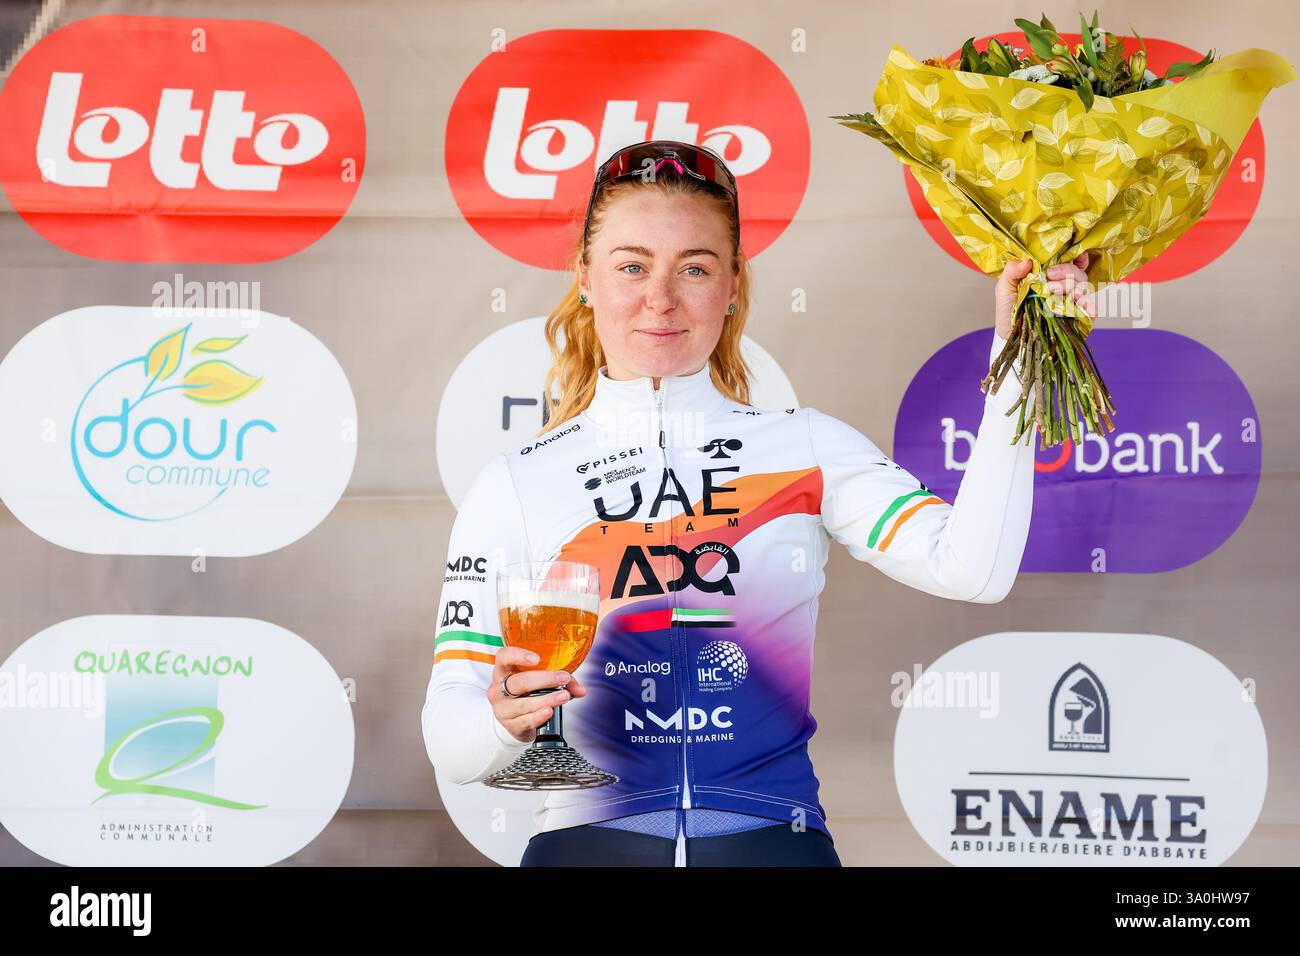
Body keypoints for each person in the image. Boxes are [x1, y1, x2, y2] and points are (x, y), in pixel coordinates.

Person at [422, 140, 1092, 867]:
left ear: (735, 283)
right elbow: (452, 739)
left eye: (696, 268)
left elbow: (974, 571)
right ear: (585, 278)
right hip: (584, 840)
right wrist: (501, 725)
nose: (660, 298)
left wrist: (1020, 353)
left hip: (774, 837)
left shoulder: (804, 446)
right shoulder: (518, 481)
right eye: (632, 266)